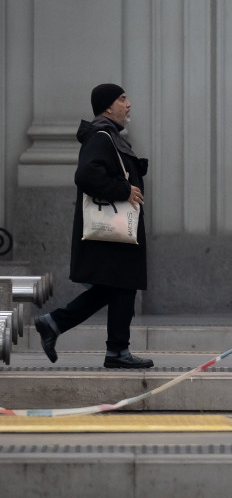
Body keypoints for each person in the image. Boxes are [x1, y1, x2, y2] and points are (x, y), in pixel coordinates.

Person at [33, 83, 154, 368]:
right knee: (120, 285)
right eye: (123, 99)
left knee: (118, 286)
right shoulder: (101, 137)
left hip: (118, 229)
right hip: (112, 229)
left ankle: (107, 346)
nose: (129, 104)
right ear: (108, 106)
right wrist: (123, 190)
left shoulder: (111, 137)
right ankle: (111, 349)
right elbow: (87, 175)